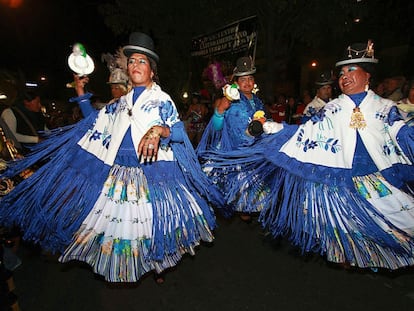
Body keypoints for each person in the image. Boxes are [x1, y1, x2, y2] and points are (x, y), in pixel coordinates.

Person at [0, 32, 223, 283]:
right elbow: (94, 123)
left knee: (149, 226)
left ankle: (157, 262)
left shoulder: (161, 99)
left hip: (151, 175)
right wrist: (82, 91)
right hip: (118, 174)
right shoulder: (119, 103)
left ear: (152, 70)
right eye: (131, 61)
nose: (135, 65)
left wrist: (159, 131)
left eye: (141, 61)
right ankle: (135, 266)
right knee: (123, 229)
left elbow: (179, 131)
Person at [206, 41, 414, 270]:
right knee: (342, 231)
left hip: (376, 178)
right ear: (236, 82)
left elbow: (402, 133)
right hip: (322, 173)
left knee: (394, 224)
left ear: (368, 75)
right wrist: (267, 127)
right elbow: (307, 130)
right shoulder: (333, 109)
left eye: (351, 70)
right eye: (342, 72)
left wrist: (267, 127)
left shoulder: (384, 108)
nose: (344, 76)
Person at [197, 56, 266, 222]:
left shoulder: (257, 101)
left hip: (254, 152)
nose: (247, 82)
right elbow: (217, 126)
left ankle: (246, 207)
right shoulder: (230, 101)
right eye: (243, 79)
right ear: (236, 82)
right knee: (229, 197)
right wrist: (219, 112)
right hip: (235, 153)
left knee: (251, 205)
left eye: (250, 78)